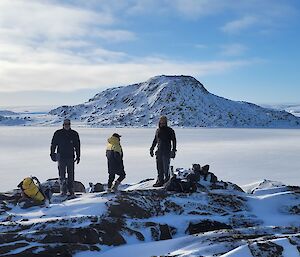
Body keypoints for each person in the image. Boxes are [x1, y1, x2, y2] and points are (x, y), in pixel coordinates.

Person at [50, 119, 80, 196]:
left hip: (70, 157)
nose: (67, 125)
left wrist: (78, 155)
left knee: (71, 174)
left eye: (68, 124)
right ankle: (63, 190)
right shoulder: (58, 133)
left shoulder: (74, 134)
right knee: (61, 174)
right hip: (61, 156)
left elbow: (77, 145)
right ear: (63, 125)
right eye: (65, 124)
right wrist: (52, 154)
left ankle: (71, 190)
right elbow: (53, 144)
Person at [150, 116, 177, 187]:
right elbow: (155, 140)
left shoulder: (170, 130)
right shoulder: (158, 130)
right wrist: (152, 149)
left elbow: (174, 140)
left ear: (166, 122)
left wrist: (173, 150)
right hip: (159, 151)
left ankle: (167, 181)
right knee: (159, 168)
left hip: (166, 151)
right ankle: (160, 181)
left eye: (164, 122)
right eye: (161, 121)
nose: (162, 123)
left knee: (166, 168)